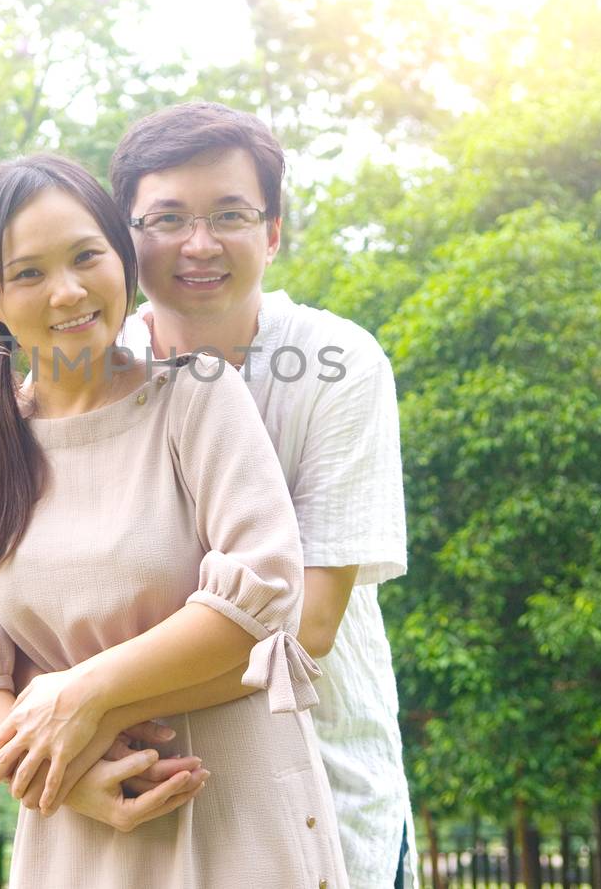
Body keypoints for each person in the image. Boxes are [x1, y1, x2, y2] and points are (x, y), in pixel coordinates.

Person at [0, 153, 348, 888]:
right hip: (78, 823)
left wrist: (85, 697)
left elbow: (262, 595)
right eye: (29, 273)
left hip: (241, 818)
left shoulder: (198, 399)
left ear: (121, 259)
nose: (69, 292)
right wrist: (65, 775)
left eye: (85, 257)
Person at [101, 101, 420, 889]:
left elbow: (303, 629)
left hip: (325, 796)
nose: (199, 244)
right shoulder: (93, 376)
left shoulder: (338, 363)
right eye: (166, 218)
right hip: (140, 801)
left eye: (230, 215)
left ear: (272, 232)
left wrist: (88, 705)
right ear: (123, 238)